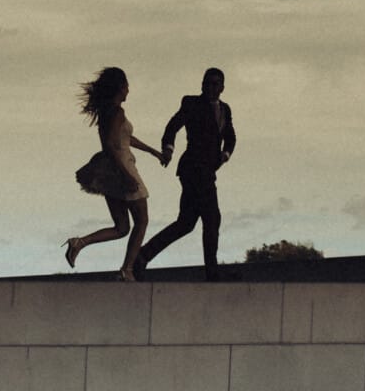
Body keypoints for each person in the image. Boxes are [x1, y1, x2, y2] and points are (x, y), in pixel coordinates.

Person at [63, 66, 168, 281]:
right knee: (142, 220)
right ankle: (127, 269)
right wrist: (126, 176)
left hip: (108, 170)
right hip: (121, 167)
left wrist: (154, 152)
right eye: (127, 86)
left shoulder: (108, 112)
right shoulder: (117, 112)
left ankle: (79, 243)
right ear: (120, 88)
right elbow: (112, 145)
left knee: (122, 227)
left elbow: (126, 138)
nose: (129, 90)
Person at [135, 67, 236, 281]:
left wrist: (224, 156)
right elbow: (173, 126)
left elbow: (231, 137)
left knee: (186, 223)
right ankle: (212, 273)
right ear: (202, 85)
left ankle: (143, 255)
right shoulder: (191, 103)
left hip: (207, 170)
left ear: (222, 87)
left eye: (215, 84)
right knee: (212, 218)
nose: (210, 87)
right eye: (207, 83)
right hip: (193, 170)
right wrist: (168, 150)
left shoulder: (225, 110)